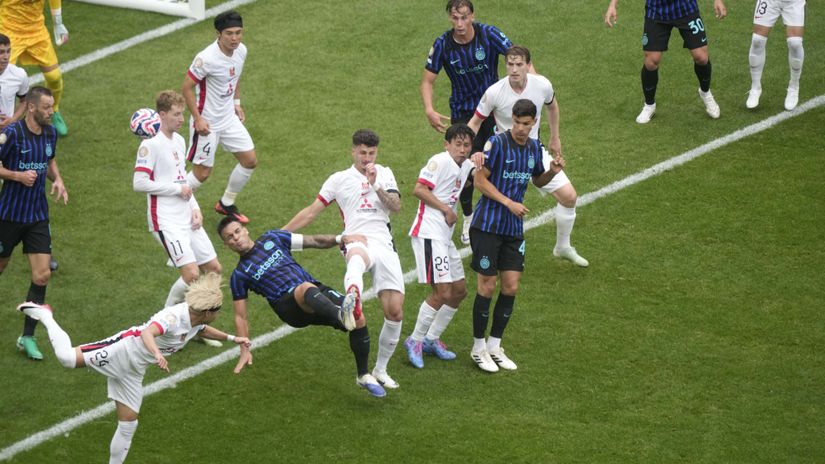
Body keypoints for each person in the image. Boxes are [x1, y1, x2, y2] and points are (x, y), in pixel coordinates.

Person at [14, 272, 251, 463]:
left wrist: (232, 338)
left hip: (133, 371)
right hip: (123, 350)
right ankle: (45, 316)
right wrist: (157, 353)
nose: (220, 314)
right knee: (66, 358)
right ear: (209, 312)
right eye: (218, 311)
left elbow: (201, 330)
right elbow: (148, 332)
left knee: (129, 424)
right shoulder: (174, 317)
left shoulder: (196, 320)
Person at [283, 129, 405, 390]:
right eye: (362, 152)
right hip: (354, 238)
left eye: (371, 153)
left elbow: (395, 206)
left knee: (395, 312)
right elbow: (312, 211)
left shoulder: (384, 172)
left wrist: (376, 184)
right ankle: (353, 300)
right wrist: (280, 234)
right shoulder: (339, 179)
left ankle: (381, 370)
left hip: (384, 243)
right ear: (353, 151)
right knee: (357, 256)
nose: (366, 157)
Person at [218, 217, 387, 398]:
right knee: (305, 288)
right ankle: (340, 314)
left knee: (358, 318)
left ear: (245, 230)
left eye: (237, 231)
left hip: (315, 291)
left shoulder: (272, 238)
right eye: (229, 237)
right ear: (227, 245)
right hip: (288, 306)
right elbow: (240, 316)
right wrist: (244, 348)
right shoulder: (240, 274)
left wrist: (341, 239)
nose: (235, 238)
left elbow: (313, 241)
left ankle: (363, 375)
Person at [468, 45, 588, 267]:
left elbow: (552, 107)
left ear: (528, 65)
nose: (513, 69)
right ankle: (478, 242)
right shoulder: (494, 92)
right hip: (501, 154)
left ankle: (563, 246)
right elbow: (475, 122)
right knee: (488, 196)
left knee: (569, 197)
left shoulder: (542, 85)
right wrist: (468, 150)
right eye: (510, 64)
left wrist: (555, 137)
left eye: (519, 64)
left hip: (532, 150)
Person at [468, 99, 561, 373]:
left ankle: (495, 345)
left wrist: (552, 172)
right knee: (486, 286)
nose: (520, 128)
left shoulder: (534, 148)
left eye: (526, 124)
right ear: (512, 119)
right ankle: (477, 347)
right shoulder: (495, 145)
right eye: (517, 123)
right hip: (487, 226)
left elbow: (537, 179)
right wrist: (508, 203)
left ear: (534, 123)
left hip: (512, 230)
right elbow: (479, 180)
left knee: (510, 287)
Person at [421, 0, 519, 245]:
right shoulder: (443, 44)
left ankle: (497, 215)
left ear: (472, 15)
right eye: (455, 18)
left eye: (464, 17)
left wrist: (534, 84)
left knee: (496, 162)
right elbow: (427, 81)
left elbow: (517, 57)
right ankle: (468, 216)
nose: (460, 24)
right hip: (464, 114)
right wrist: (429, 109)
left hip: (495, 111)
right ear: (449, 18)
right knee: (463, 167)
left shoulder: (489, 34)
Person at [133, 90, 223, 349]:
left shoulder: (179, 141)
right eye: (176, 114)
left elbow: (181, 178)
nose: (182, 119)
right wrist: (176, 190)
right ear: (162, 115)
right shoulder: (150, 145)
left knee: (214, 269)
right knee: (192, 273)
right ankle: (164, 326)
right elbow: (139, 183)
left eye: (182, 113)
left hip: (186, 216)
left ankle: (194, 327)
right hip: (165, 220)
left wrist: (194, 206)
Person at [0, 86, 67, 360]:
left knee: (42, 275)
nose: (51, 112)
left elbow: (50, 161)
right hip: (8, 215)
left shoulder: (50, 132)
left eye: (52, 107)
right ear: (31, 107)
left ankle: (27, 336)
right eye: (47, 107)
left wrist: (58, 180)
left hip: (37, 215)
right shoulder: (13, 134)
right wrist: (16, 176)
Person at [404, 124, 476, 369]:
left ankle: (431, 339)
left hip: (444, 237)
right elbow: (418, 189)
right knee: (443, 292)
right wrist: (446, 209)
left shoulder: (466, 166)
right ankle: (414, 340)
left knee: (459, 292)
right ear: (447, 145)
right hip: (429, 234)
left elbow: (466, 181)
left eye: (467, 145)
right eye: (458, 144)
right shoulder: (439, 161)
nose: (462, 149)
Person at [182, 10, 256, 224]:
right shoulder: (206, 59)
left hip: (228, 118)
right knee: (202, 173)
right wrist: (197, 119)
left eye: (238, 33)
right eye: (229, 33)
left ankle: (226, 203)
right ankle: (170, 197)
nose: (235, 38)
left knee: (249, 161)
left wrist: (236, 104)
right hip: (207, 123)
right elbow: (186, 88)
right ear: (218, 34)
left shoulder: (241, 50)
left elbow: (236, 76)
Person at [604, 0, 727, 124]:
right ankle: (649, 105)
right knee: (651, 61)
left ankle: (705, 93)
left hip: (685, 8)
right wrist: (613, 5)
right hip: (656, 12)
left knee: (701, 57)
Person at [0, 0, 69, 136]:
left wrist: (58, 22)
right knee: (4, 80)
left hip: (36, 31)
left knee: (54, 77)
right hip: (9, 30)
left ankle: (53, 110)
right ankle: (5, 123)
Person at [746, 0, 806, 110]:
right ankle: (755, 87)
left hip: (794, 2)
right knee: (757, 40)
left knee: (795, 43)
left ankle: (794, 87)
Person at [0, 34, 29, 130]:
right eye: (1, 52)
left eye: (8, 51)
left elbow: (25, 101)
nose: (6, 57)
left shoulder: (19, 75)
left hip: (6, 134)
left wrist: (12, 120)